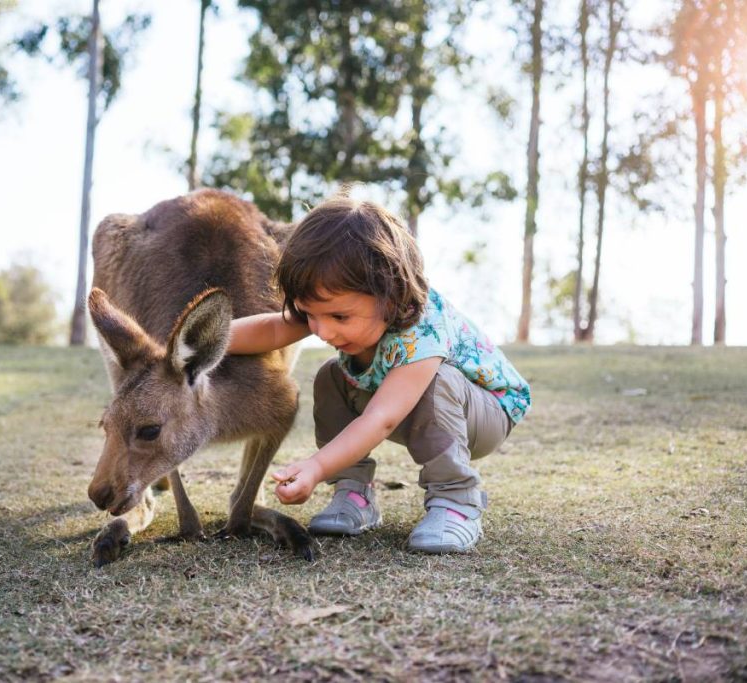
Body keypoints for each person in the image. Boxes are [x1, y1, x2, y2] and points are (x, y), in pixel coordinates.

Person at [227, 196, 531, 553]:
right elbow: (273, 330)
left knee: (438, 382)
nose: (322, 332)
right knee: (331, 376)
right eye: (311, 315)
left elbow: (382, 419)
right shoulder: (338, 305)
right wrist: (200, 341)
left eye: (339, 318)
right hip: (416, 410)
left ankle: (457, 501)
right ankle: (354, 494)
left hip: (485, 415)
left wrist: (316, 467)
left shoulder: (423, 330)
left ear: (390, 295)